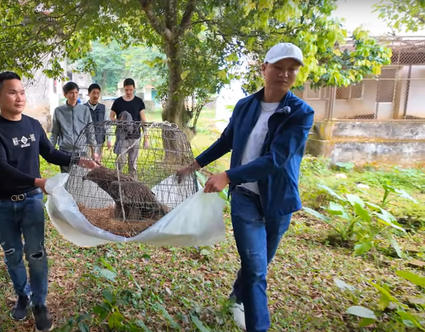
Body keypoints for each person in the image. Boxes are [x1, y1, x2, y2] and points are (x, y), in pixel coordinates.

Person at [176, 43, 314, 332]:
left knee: (258, 265)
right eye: (278, 67)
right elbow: (226, 140)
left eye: (292, 69)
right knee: (255, 267)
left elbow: (275, 160)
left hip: (279, 201)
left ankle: (237, 298)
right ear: (264, 68)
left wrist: (227, 174)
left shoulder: (300, 113)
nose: (284, 74)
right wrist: (195, 165)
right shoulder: (245, 106)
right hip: (245, 198)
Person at [0, 71, 98, 332]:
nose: (19, 97)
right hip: (3, 203)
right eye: (12, 92)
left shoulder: (33, 126)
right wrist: (38, 182)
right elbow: (1, 167)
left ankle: (40, 304)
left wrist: (78, 160)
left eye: (21, 92)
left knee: (36, 253)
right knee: (12, 255)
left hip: (31, 202)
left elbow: (50, 152)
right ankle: (23, 296)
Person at [49, 82, 96, 173]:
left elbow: (90, 130)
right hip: (65, 151)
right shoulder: (59, 111)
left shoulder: (84, 110)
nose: (74, 96)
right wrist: (50, 151)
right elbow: (54, 133)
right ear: (65, 94)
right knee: (66, 178)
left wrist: (94, 150)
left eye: (76, 92)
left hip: (82, 150)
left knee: (81, 178)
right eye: (71, 93)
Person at [109, 78, 149, 179]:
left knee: (133, 163)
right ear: (124, 89)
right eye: (126, 90)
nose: (128, 92)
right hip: (122, 137)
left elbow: (143, 120)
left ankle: (133, 184)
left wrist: (146, 138)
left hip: (135, 137)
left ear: (134, 88)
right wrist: (119, 122)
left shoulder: (139, 102)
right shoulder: (118, 102)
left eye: (131, 90)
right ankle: (118, 182)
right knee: (120, 162)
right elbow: (111, 116)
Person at [84, 83, 107, 163]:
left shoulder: (103, 108)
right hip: (86, 142)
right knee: (87, 162)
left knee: (97, 162)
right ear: (89, 94)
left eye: (98, 93)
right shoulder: (83, 108)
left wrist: (109, 140)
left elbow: (106, 124)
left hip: (100, 139)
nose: (96, 95)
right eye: (93, 93)